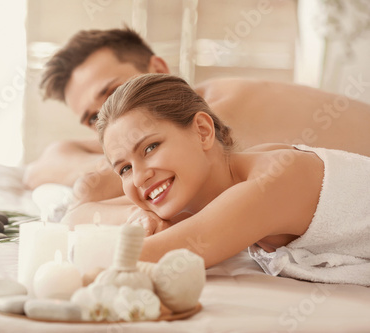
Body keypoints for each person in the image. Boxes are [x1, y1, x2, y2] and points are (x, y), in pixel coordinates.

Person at [23, 27, 370, 206]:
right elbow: (39, 167)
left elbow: (96, 188)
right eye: (92, 118)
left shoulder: (213, 112)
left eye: (112, 91)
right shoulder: (164, 128)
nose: (107, 118)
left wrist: (106, 172)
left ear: (157, 69)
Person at [95, 73, 370, 285]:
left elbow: (148, 255)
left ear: (202, 131)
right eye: (124, 169)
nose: (141, 176)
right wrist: (142, 217)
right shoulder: (212, 188)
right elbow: (77, 214)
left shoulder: (272, 180)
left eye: (151, 147)